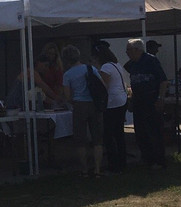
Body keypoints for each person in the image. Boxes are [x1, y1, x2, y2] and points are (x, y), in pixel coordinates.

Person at [61, 44, 104, 178]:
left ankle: (84, 169)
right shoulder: (90, 68)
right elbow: (102, 85)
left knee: (80, 139)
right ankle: (97, 169)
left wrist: (73, 100)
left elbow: (68, 96)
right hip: (94, 104)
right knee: (97, 138)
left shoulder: (67, 74)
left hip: (79, 105)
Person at [124, 39, 168, 168]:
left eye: (128, 50)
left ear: (137, 50)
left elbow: (163, 81)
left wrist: (160, 98)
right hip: (138, 101)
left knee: (154, 131)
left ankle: (158, 160)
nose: (127, 53)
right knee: (141, 132)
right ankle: (147, 158)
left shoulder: (151, 60)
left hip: (151, 100)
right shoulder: (132, 64)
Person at [93, 43, 128, 173]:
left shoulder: (106, 67)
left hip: (112, 102)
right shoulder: (117, 65)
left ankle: (113, 163)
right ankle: (122, 161)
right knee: (119, 133)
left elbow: (104, 86)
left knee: (109, 134)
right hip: (122, 100)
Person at [34, 42, 64, 107]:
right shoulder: (39, 68)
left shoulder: (57, 69)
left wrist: (57, 98)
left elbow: (59, 85)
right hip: (41, 96)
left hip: (53, 95)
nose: (51, 56)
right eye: (49, 53)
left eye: (53, 54)